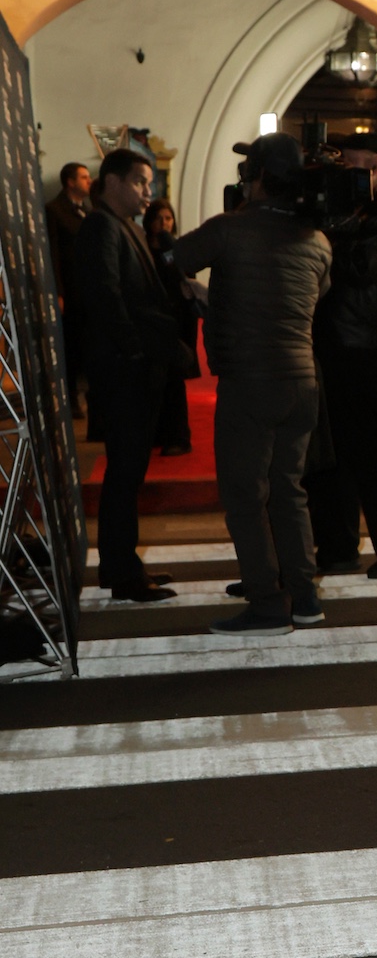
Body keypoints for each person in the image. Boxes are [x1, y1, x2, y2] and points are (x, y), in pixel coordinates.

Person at [170, 134, 332, 635]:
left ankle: (267, 605)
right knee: (288, 490)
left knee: (244, 495)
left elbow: (175, 258)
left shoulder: (230, 229)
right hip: (301, 379)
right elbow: (315, 292)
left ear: (256, 176)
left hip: (250, 379)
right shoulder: (318, 239)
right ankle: (304, 596)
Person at [71, 149, 192, 603]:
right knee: (124, 471)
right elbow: (105, 295)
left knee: (130, 470)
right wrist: (135, 348)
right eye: (141, 181)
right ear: (113, 182)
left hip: (134, 364)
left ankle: (124, 564)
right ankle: (122, 572)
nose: (148, 191)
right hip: (124, 368)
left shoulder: (124, 226)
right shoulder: (101, 226)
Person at [305, 130, 377, 581]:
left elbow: (360, 267)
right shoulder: (350, 211)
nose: (349, 175)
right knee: (333, 453)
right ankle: (338, 547)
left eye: (356, 166)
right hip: (333, 344)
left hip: (368, 347)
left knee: (373, 453)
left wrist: (326, 236)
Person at [143, 197, 201, 456]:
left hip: (177, 321)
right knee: (154, 381)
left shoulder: (177, 249)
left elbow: (188, 282)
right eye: (159, 218)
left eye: (168, 218)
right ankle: (157, 433)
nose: (164, 223)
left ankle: (178, 436)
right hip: (151, 321)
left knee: (174, 380)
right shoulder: (142, 248)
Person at [46, 161, 91, 416]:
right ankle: (71, 398)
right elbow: (53, 255)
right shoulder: (54, 210)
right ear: (70, 182)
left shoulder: (86, 210)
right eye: (84, 177)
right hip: (70, 290)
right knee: (71, 345)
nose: (89, 181)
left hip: (87, 289)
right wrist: (59, 292)